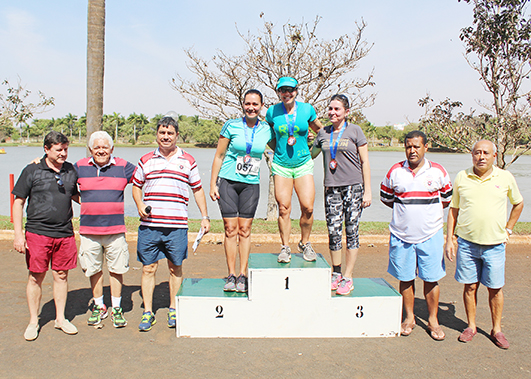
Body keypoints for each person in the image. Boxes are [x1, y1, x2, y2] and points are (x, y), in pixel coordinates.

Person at [133, 115, 210, 332]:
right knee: (148, 268)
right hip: (150, 225)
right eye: (162, 133)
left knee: (175, 267)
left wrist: (205, 217)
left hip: (177, 225)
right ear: (157, 135)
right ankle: (148, 311)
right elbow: (136, 186)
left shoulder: (188, 160)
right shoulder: (146, 159)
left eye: (170, 133)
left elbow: (197, 189)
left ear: (177, 135)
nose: (165, 137)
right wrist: (139, 204)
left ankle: (173, 308)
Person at [445, 140, 523, 349]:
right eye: (477, 153)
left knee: (495, 289)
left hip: (495, 245)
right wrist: (449, 239)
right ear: (472, 155)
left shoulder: (505, 177)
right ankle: (471, 326)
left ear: (494, 156)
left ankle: (496, 329)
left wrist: (508, 229)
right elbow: (454, 209)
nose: (481, 156)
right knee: (470, 286)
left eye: (486, 153)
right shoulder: (462, 176)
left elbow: (518, 203)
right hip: (467, 244)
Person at [380, 130, 452, 341]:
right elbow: (386, 196)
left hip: (431, 234)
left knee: (431, 279)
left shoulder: (438, 171)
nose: (412, 150)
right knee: (405, 277)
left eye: (416, 146)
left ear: (425, 147)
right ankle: (409, 318)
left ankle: (433, 320)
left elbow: (446, 199)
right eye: (408, 146)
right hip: (402, 235)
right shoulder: (395, 170)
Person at [12, 131, 79, 340]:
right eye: (59, 150)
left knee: (61, 275)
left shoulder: (70, 170)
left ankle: (60, 319)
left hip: (64, 232)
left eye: (66, 149)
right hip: (37, 233)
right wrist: (18, 235)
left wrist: (98, 203)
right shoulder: (32, 170)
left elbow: (76, 195)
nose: (63, 154)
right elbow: (18, 202)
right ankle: (34, 321)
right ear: (46, 149)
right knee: (36, 277)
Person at [210, 89, 274, 293]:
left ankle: (243, 275)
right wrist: (213, 183)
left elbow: (280, 144)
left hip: (250, 184)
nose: (251, 107)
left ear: (261, 106)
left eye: (255, 104)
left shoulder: (266, 129)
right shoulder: (231, 125)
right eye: (248, 103)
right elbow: (219, 156)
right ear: (243, 105)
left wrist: (303, 136)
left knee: (245, 230)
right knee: (230, 229)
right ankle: (230, 274)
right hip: (228, 181)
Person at [74, 131, 136, 328]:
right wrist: (83, 201)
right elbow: (61, 178)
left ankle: (116, 307)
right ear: (91, 149)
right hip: (89, 231)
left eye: (105, 147)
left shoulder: (124, 167)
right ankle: (99, 306)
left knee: (117, 270)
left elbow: (145, 177)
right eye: (97, 147)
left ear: (112, 149)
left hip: (115, 230)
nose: (101, 151)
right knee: (94, 270)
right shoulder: (79, 167)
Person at [311, 94, 372, 296]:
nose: (332, 112)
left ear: (346, 112)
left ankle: (348, 276)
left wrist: (368, 191)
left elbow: (365, 162)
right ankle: (336, 273)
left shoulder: (355, 131)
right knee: (334, 232)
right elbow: (311, 155)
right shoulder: (323, 132)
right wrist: (304, 140)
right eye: (330, 108)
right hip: (332, 188)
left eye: (337, 109)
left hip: (353, 187)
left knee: (351, 231)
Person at [266, 76, 322, 263]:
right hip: (281, 165)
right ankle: (285, 247)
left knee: (308, 207)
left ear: (296, 91)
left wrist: (313, 152)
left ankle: (305, 243)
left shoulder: (307, 109)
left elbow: (321, 133)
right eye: (283, 90)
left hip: (303, 165)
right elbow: (267, 136)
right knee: (283, 208)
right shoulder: (272, 111)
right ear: (279, 92)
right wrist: (279, 150)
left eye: (290, 90)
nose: (287, 93)